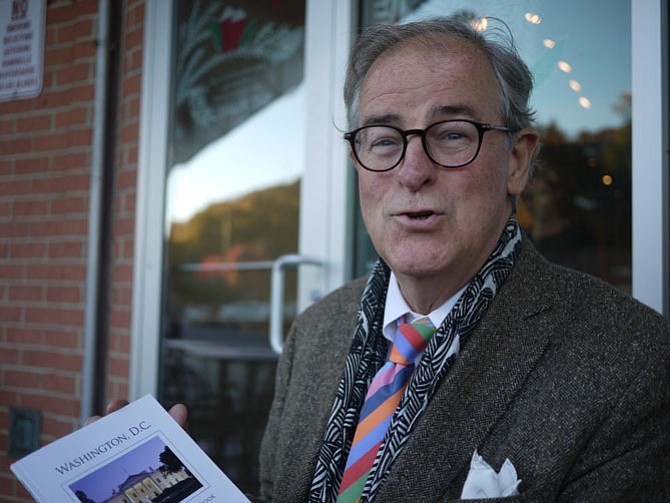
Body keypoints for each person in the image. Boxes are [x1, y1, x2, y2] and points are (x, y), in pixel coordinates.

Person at [99, 16, 670, 502]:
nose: (412, 171)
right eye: (383, 140)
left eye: (451, 135)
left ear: (517, 161)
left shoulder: (632, 361)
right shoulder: (314, 332)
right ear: (358, 165)